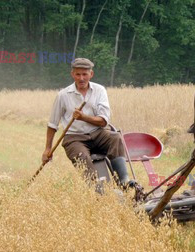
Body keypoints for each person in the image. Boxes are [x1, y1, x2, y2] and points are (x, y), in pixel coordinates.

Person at [42, 57, 131, 187]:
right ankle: (97, 189)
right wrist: (48, 149)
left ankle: (125, 181)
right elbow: (52, 125)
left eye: (85, 74)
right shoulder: (63, 95)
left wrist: (83, 117)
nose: (81, 78)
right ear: (72, 74)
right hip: (74, 138)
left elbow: (103, 121)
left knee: (115, 138)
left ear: (91, 74)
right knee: (81, 156)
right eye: (78, 74)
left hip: (97, 133)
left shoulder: (100, 90)